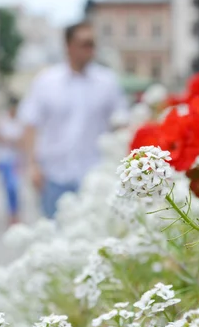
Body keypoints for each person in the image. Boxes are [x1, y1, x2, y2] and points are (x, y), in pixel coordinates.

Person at [19, 21, 128, 219]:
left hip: (95, 176)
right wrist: (32, 166)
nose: (91, 50)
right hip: (53, 176)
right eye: (85, 44)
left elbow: (121, 124)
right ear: (69, 46)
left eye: (93, 44)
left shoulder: (107, 82)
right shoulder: (46, 81)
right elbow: (30, 124)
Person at [0, 97, 24, 225]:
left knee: (15, 187)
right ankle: (11, 214)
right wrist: (11, 141)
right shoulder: (2, 119)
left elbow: (22, 140)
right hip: (4, 159)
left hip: (16, 159)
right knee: (8, 187)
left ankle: (15, 213)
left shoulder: (20, 120)